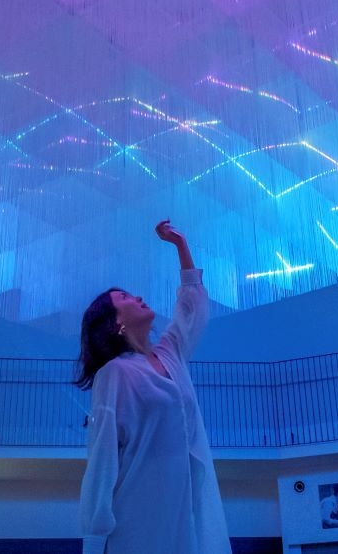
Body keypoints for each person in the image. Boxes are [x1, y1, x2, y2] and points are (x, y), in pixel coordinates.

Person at [77, 220, 231, 554]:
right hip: (136, 518)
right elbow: (102, 457)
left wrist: (180, 244)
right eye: (125, 297)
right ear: (115, 321)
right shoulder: (114, 374)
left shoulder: (171, 353)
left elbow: (192, 307)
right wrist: (94, 540)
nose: (138, 297)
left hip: (184, 514)